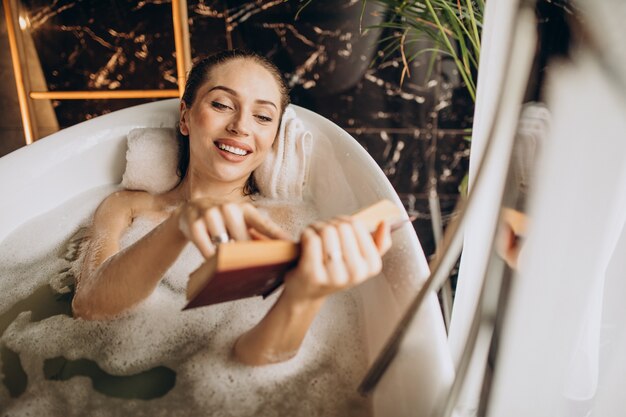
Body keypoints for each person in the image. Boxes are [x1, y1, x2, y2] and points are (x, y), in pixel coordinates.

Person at [71, 49, 392, 366]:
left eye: (263, 117)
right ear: (185, 116)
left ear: (273, 137)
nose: (241, 126)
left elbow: (249, 361)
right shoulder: (126, 206)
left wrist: (305, 294)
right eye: (222, 104)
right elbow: (89, 307)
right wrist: (179, 224)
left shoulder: (286, 224)